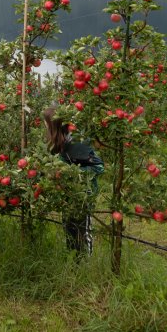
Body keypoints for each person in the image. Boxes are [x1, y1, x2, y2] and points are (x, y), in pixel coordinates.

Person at [42, 106, 104, 257]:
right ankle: (73, 260)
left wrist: (74, 173)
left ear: (52, 125)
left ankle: (86, 264)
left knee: (83, 230)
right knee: (69, 227)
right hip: (68, 193)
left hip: (84, 194)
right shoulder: (60, 141)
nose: (44, 126)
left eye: (46, 123)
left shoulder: (78, 143)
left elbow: (99, 167)